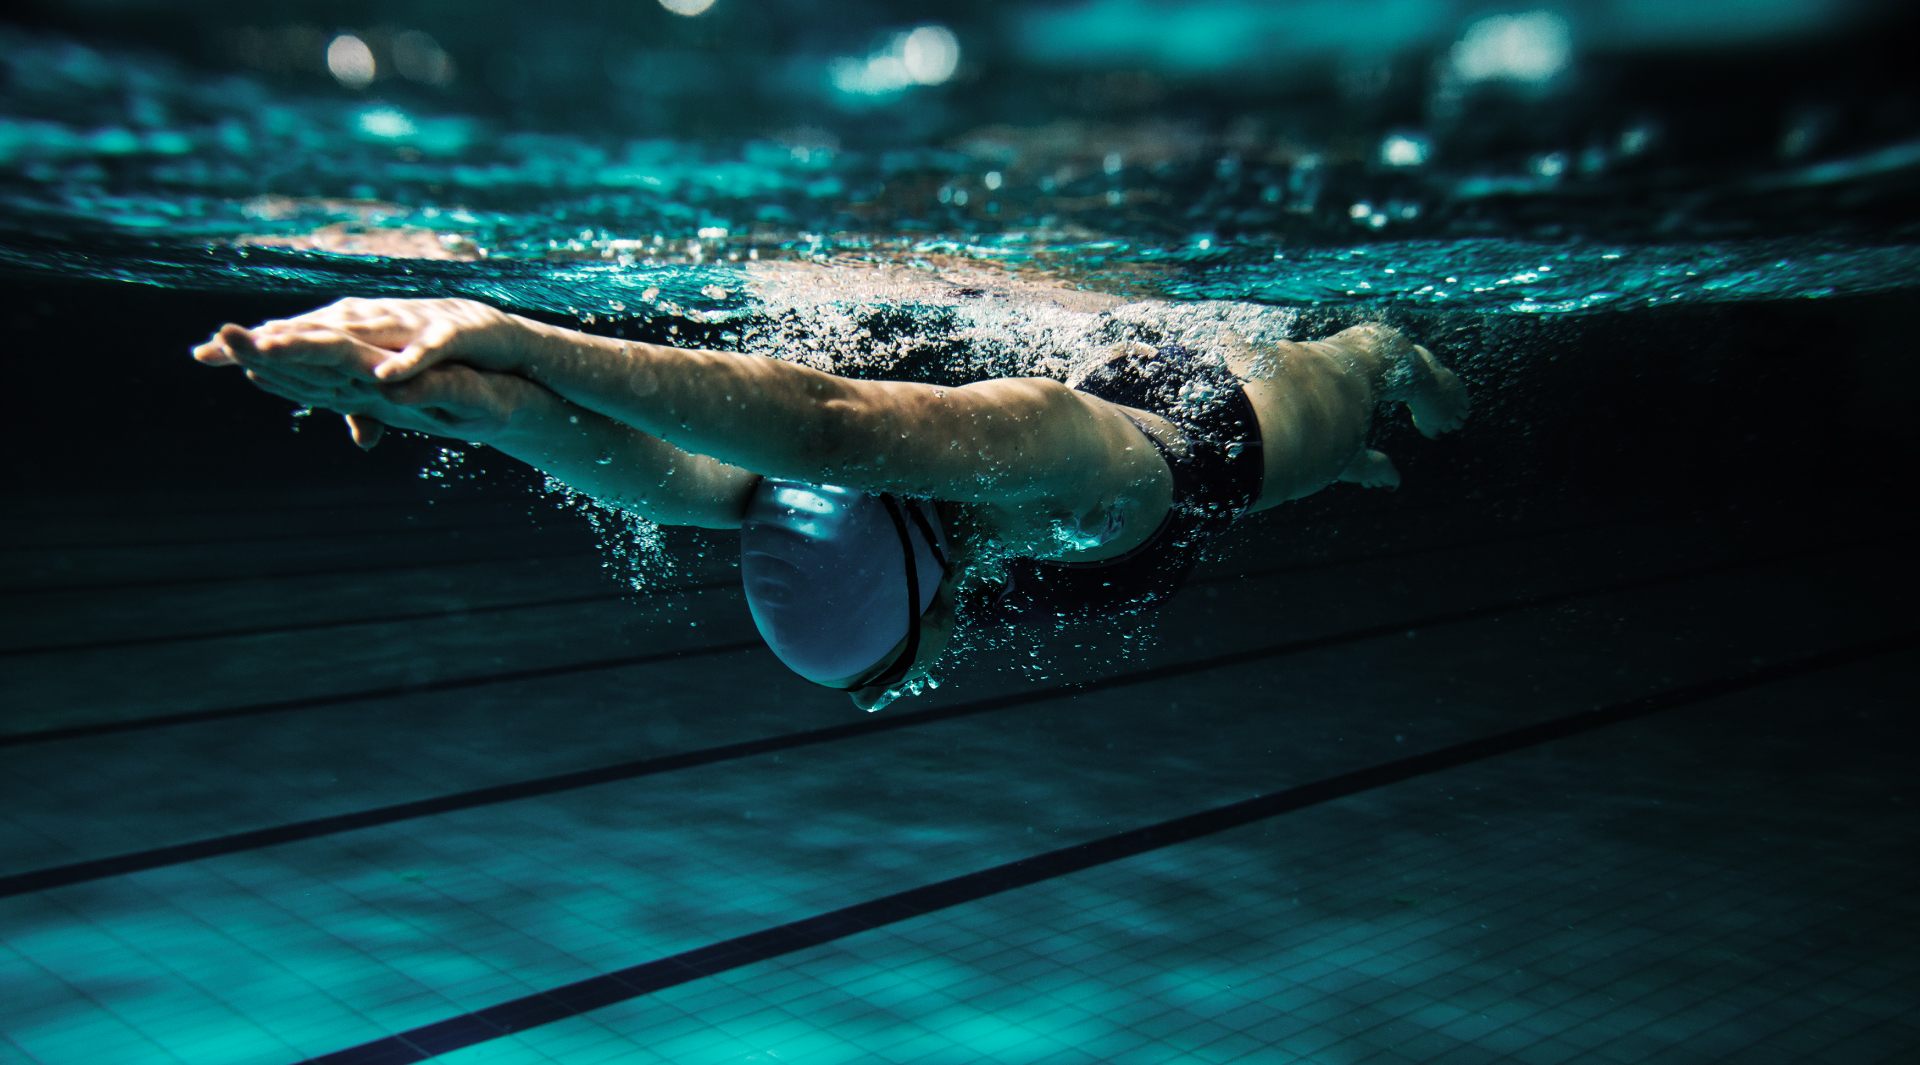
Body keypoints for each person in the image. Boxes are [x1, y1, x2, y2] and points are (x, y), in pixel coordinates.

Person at [193, 288, 1468, 710]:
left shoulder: (1064, 481)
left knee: (1372, 367)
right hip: (1121, 462)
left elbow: (829, 422)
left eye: (897, 668)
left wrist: (513, 336)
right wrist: (473, 400)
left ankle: (1387, 380)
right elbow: (665, 476)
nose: (913, 687)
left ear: (931, 596)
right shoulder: (883, 515)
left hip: (1216, 434)